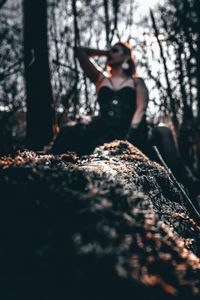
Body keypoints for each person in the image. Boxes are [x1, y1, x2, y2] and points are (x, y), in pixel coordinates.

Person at [47, 42, 150, 156]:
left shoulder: (137, 81)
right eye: (110, 51)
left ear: (126, 56)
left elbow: (141, 107)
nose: (111, 53)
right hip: (102, 127)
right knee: (67, 130)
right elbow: (79, 50)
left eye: (115, 51)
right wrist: (105, 53)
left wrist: (131, 132)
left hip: (130, 126)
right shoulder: (101, 79)